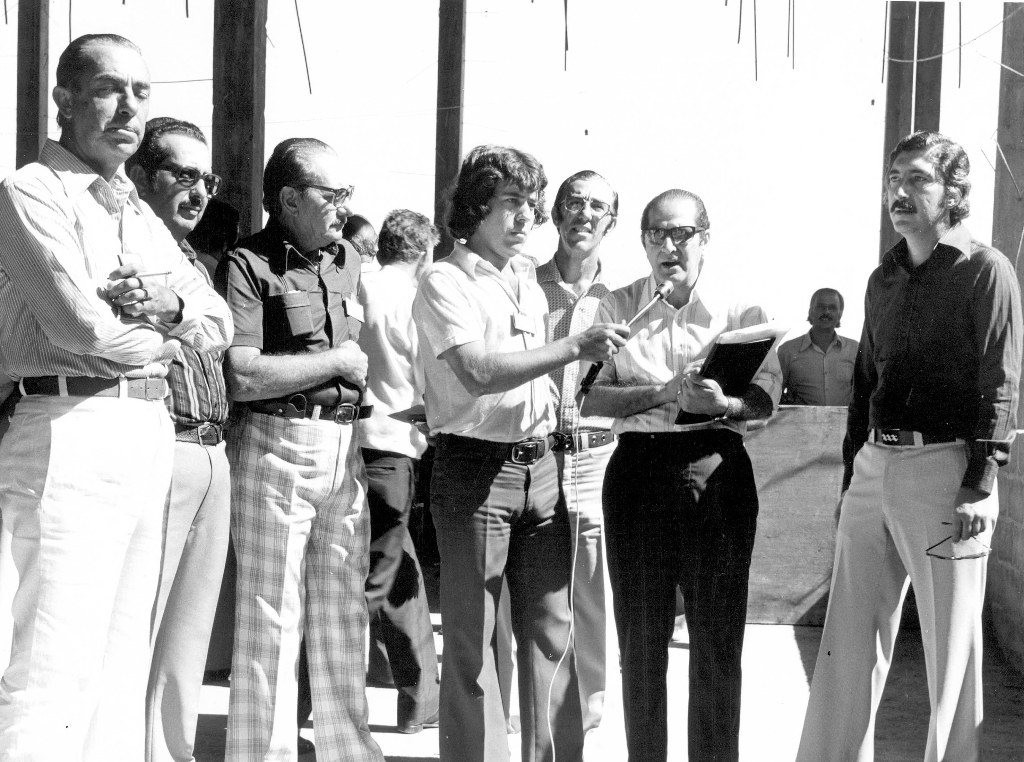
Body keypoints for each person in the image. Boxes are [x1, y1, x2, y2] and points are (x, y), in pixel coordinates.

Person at [0, 33, 232, 762]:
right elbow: (79, 325)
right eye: (108, 88)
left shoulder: (135, 210)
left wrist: (165, 307)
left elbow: (217, 321)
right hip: (66, 422)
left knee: (119, 658)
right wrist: (167, 334)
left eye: (141, 92)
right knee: (51, 663)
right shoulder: (30, 190)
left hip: (144, 429)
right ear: (65, 99)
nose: (127, 106)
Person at [796, 131, 1023, 762]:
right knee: (847, 640)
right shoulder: (883, 277)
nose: (899, 192)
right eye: (895, 178)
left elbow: (999, 381)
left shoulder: (985, 269)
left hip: (946, 471)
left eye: (917, 179)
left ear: (954, 192)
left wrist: (982, 479)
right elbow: (867, 384)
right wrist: (851, 484)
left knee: (952, 653)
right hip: (874, 467)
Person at [411, 144, 629, 762]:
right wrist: (575, 346)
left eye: (532, 204)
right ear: (475, 207)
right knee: (474, 644)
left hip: (544, 469)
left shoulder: (524, 279)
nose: (526, 217)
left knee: (552, 633)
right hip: (475, 473)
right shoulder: (443, 280)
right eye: (511, 203)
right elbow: (478, 372)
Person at [582, 188, 781, 762]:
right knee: (640, 639)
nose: (669, 246)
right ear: (641, 240)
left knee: (717, 639)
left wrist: (726, 404)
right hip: (638, 472)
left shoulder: (745, 311)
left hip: (716, 467)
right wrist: (664, 393)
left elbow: (766, 400)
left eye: (682, 234)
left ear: (705, 237)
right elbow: (591, 397)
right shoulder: (616, 307)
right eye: (655, 235)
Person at [217, 137, 382, 762]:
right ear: (288, 199)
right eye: (331, 195)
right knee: (271, 620)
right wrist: (337, 361)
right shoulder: (246, 264)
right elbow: (244, 375)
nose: (342, 208)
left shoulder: (346, 259)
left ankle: (351, 752)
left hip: (345, 447)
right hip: (274, 443)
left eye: (346, 195)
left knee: (344, 618)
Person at [125, 117, 232, 762]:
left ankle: (170, 751)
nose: (198, 193)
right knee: (141, 621)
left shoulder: (194, 265)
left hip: (212, 449)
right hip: (159, 446)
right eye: (182, 175)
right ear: (141, 177)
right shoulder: (125, 255)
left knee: (188, 631)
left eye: (206, 179)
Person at [535, 169, 619, 734]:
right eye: (573, 202)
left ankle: (589, 710)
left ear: (611, 221)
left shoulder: (623, 300)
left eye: (597, 207)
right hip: (535, 456)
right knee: (537, 591)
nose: (583, 214)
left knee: (592, 592)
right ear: (555, 212)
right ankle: (537, 704)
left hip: (595, 457)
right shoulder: (520, 284)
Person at [357, 209, 441, 733]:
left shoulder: (358, 286)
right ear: (424, 251)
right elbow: (427, 376)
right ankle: (311, 695)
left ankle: (421, 700)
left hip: (350, 443)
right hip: (396, 448)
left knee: (398, 571)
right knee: (379, 578)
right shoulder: (417, 301)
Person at [777, 287, 858, 405]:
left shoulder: (854, 349)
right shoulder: (788, 350)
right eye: (821, 307)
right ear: (811, 312)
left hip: (843, 423)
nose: (826, 312)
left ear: (840, 314)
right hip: (799, 422)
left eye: (832, 307)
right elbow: (775, 394)